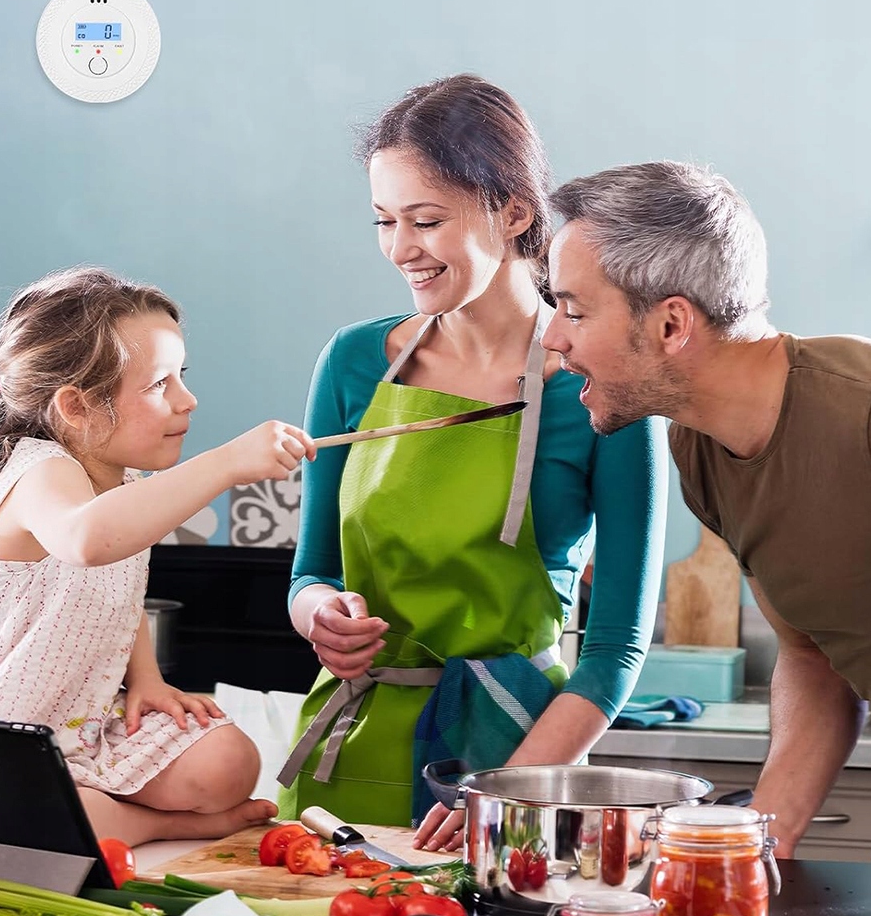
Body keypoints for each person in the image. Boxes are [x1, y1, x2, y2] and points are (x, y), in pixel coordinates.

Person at [540, 159, 871, 884]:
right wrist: (761, 839)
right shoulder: (702, 449)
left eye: (573, 310)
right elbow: (812, 657)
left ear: (671, 323)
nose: (552, 338)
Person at [276, 75, 669, 846]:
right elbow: (309, 572)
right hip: (348, 756)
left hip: (517, 763)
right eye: (385, 221)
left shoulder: (599, 385)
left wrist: (502, 797)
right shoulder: (354, 362)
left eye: (426, 220)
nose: (401, 249)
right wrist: (320, 616)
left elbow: (616, 648)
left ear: (514, 212)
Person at [0, 266, 316, 847]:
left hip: (77, 724)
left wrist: (146, 678)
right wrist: (226, 463)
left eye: (182, 377)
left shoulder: (125, 485)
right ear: (76, 406)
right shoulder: (39, 472)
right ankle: (157, 825)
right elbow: (87, 541)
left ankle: (102, 807)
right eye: (159, 384)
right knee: (42, 813)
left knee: (228, 761)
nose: (187, 400)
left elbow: (114, 594)